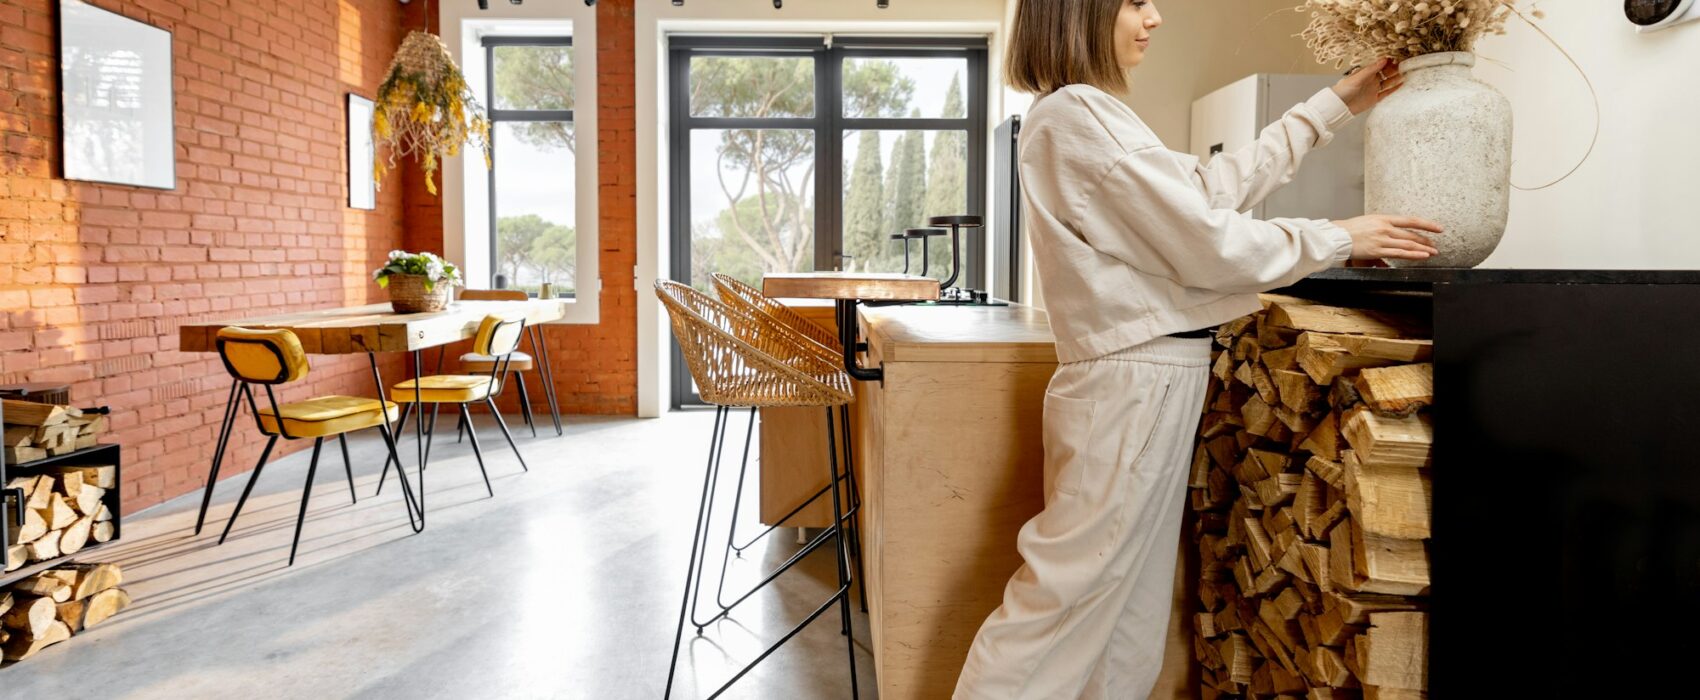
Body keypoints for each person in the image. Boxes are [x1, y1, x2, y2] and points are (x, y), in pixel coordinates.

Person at [953, 1, 1441, 698]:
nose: (1153, 18)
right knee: (1061, 602)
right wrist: (1338, 237)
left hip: (1147, 375)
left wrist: (1334, 105)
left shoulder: (1088, 115)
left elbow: (1208, 192)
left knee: (1126, 614)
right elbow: (1206, 243)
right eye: (1134, 2)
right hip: (1134, 379)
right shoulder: (1074, 115)